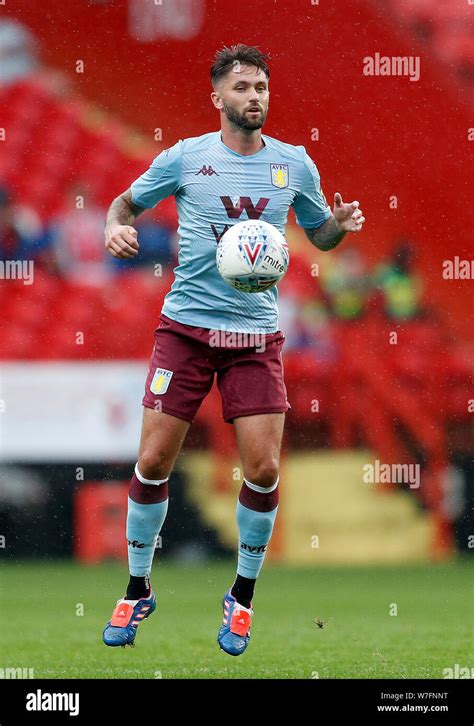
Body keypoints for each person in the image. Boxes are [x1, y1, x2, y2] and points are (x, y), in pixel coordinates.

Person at [101, 44, 365, 656]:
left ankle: (241, 598)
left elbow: (318, 234)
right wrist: (115, 225)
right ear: (218, 98)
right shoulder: (187, 157)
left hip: (254, 336)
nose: (256, 97)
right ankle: (138, 586)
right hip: (186, 331)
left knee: (265, 469)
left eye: (263, 87)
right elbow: (123, 203)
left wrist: (337, 227)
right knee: (154, 461)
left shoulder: (295, 165)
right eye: (243, 87)